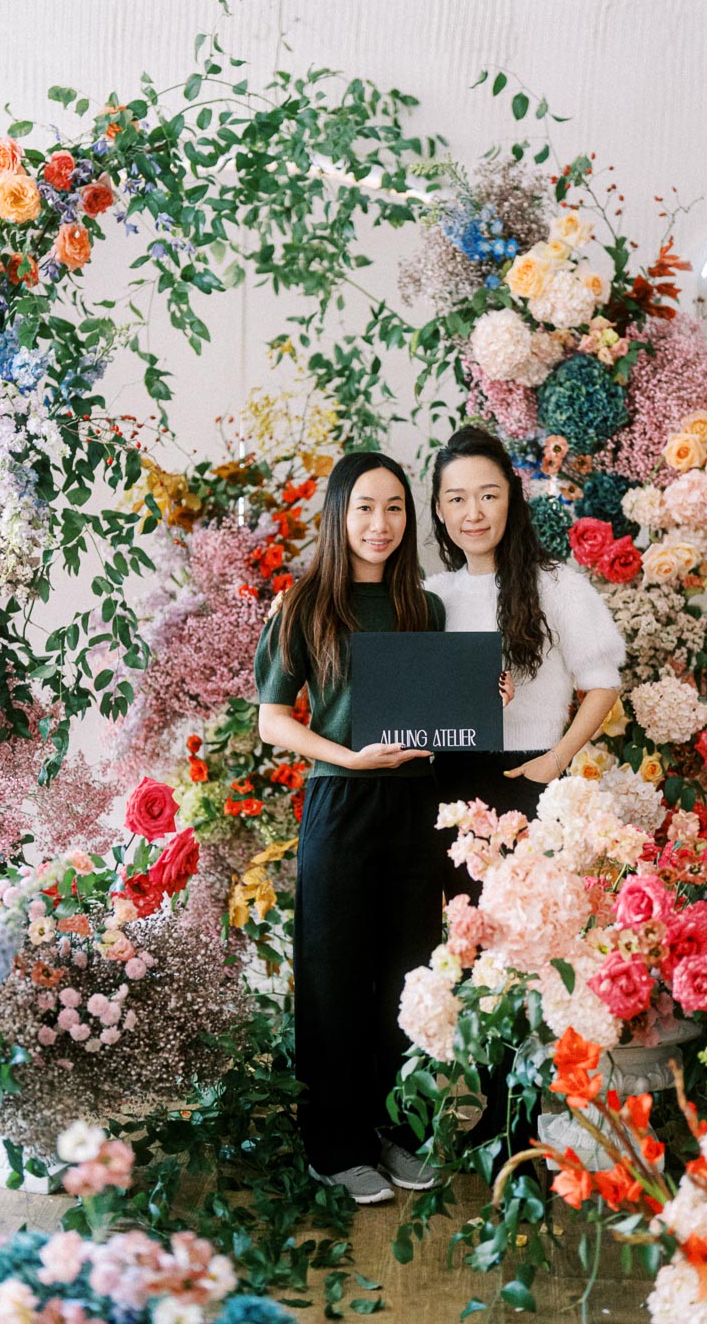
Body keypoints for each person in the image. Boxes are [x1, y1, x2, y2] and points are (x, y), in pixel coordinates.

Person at [426, 423, 625, 1150]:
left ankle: (526, 1119)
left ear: (511, 498)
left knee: (531, 949)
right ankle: (491, 1109)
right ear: (439, 510)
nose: (472, 511)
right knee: (473, 947)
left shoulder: (556, 584)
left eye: (487, 494)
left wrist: (556, 759)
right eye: (456, 498)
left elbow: (602, 683)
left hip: (529, 780)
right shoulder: (431, 594)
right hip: (452, 787)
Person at [255, 451, 446, 1206]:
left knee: (407, 976)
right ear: (338, 514)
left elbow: (435, 718)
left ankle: (397, 1133)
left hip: (415, 807)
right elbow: (273, 721)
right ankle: (334, 1146)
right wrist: (348, 757)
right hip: (339, 802)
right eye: (364, 507)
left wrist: (478, 700)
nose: (379, 523)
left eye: (394, 507)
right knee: (334, 976)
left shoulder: (424, 608)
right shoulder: (304, 605)